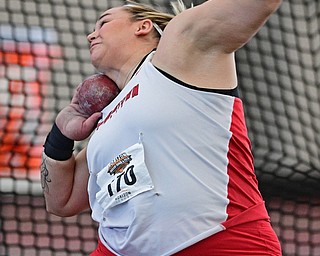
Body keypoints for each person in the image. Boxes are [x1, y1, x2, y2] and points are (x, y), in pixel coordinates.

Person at [41, 0, 282, 255]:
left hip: (214, 241)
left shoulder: (181, 52)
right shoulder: (107, 119)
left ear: (143, 26)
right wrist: (61, 134)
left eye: (104, 22)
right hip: (116, 249)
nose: (91, 34)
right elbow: (61, 201)